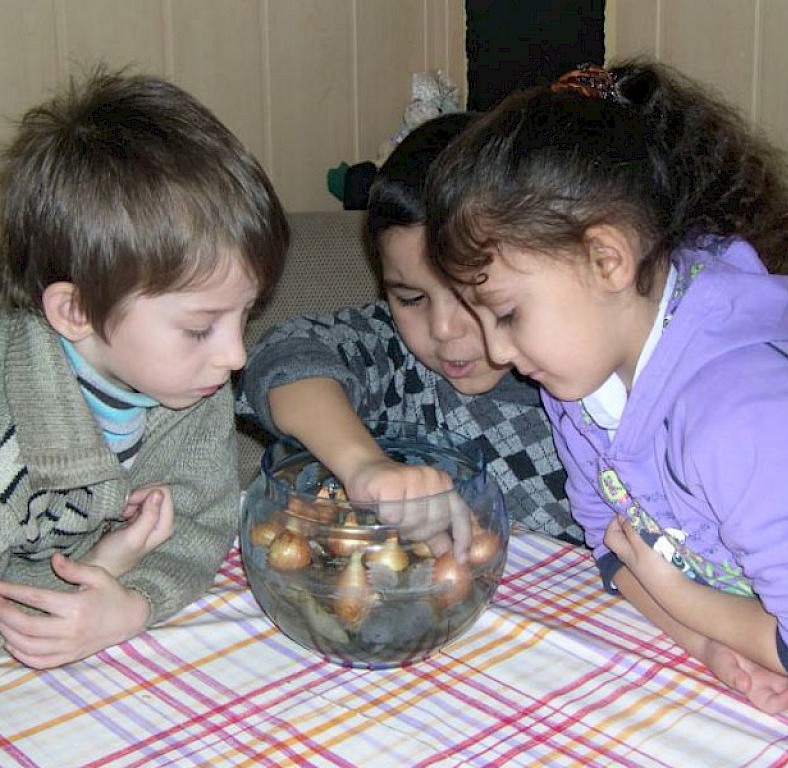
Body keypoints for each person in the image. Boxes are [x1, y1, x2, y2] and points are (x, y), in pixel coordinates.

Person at [425, 60, 788, 714]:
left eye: (509, 313)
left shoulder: (742, 412)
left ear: (607, 259)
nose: (495, 350)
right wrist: (708, 644)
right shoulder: (579, 391)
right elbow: (611, 550)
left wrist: (681, 597)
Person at [0, 68, 288, 681]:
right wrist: (94, 574)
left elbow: (204, 520)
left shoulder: (187, 378)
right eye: (199, 325)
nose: (235, 356)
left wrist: (132, 602)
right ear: (76, 312)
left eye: (245, 314)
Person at [236, 112, 583, 547]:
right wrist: (365, 465)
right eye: (411, 299)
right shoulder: (396, 358)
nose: (442, 329)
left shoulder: (582, 379)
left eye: (473, 295)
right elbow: (285, 355)